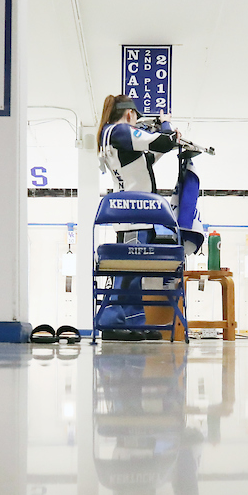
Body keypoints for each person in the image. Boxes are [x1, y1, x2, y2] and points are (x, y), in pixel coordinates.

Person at [96, 94, 180, 340]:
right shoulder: (119, 130)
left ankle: (132, 323)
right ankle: (113, 324)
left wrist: (163, 139)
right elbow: (164, 142)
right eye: (136, 121)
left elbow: (147, 159)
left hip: (135, 216)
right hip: (134, 216)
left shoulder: (114, 135)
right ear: (130, 114)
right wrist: (165, 124)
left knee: (133, 275)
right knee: (126, 275)